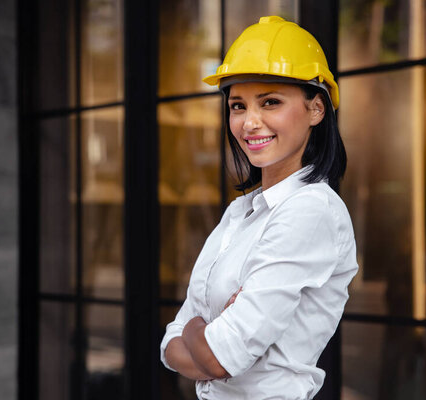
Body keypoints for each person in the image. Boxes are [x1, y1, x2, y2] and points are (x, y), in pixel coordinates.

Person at [160, 16, 359, 400]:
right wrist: (203, 329)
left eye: (270, 102)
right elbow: (168, 348)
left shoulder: (311, 211)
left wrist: (196, 328)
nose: (250, 122)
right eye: (238, 106)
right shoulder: (241, 213)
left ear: (316, 109)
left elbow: (218, 357)